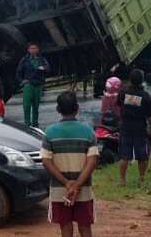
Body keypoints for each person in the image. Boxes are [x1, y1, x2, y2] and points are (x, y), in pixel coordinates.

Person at [41, 91, 98, 237]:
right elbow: (92, 161)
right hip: (83, 189)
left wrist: (67, 183)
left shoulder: (50, 132)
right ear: (77, 108)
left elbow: (46, 161)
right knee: (85, 227)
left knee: (65, 227)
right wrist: (77, 184)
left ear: (58, 110)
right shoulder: (88, 131)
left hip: (61, 190)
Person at [117, 69, 151, 186]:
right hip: (140, 128)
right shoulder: (145, 96)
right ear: (142, 80)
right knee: (142, 155)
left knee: (124, 155)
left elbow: (119, 104)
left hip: (125, 127)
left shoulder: (123, 93)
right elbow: (149, 115)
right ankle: (141, 179)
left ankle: (122, 180)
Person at [15, 42, 51, 128]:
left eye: (35, 48)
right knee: (26, 105)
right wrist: (22, 81)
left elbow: (48, 69)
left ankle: (35, 124)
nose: (33, 50)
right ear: (28, 50)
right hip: (28, 85)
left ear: (38, 49)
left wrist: (43, 68)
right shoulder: (24, 60)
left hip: (38, 85)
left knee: (36, 106)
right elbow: (18, 73)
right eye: (31, 48)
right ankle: (27, 124)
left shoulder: (42, 59)